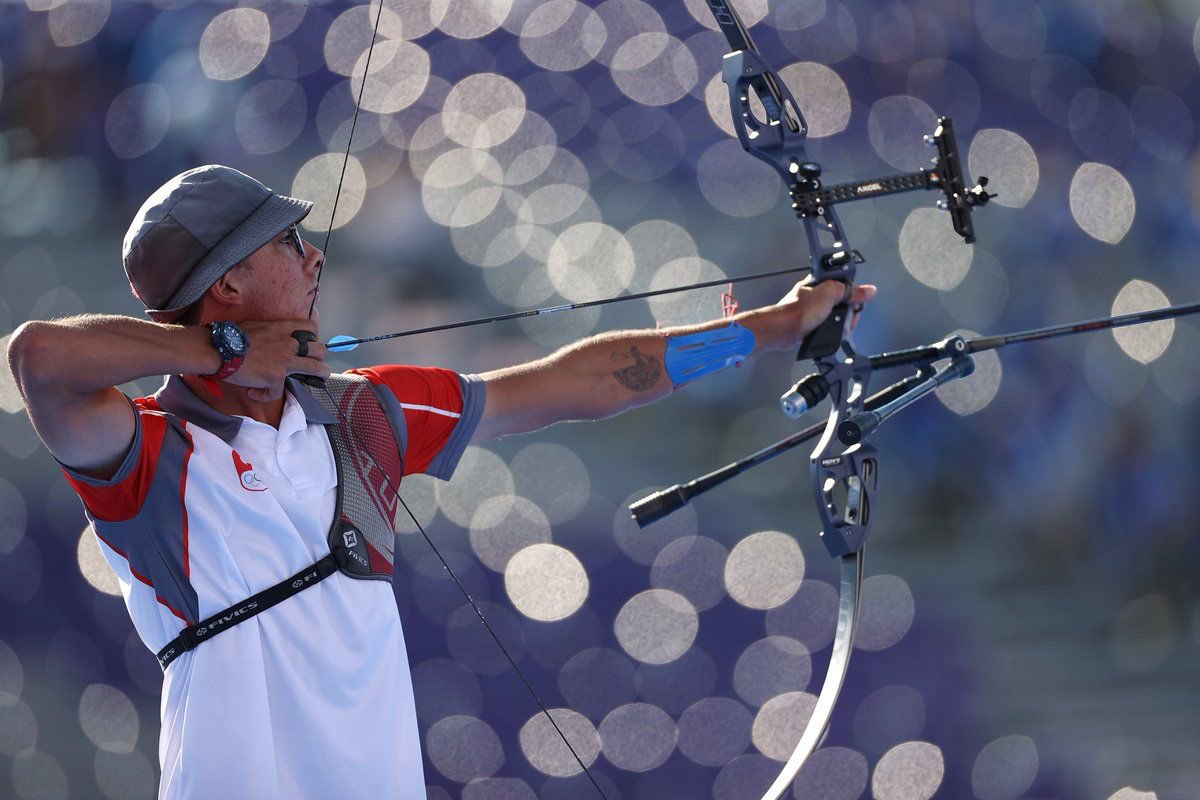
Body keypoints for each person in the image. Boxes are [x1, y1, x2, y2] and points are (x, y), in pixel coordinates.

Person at [5, 164, 876, 799]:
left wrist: (767, 330)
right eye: (291, 244)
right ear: (227, 282)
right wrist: (225, 350)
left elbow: (581, 380)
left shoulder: (364, 417)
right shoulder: (147, 455)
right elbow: (38, 355)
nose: (315, 261)